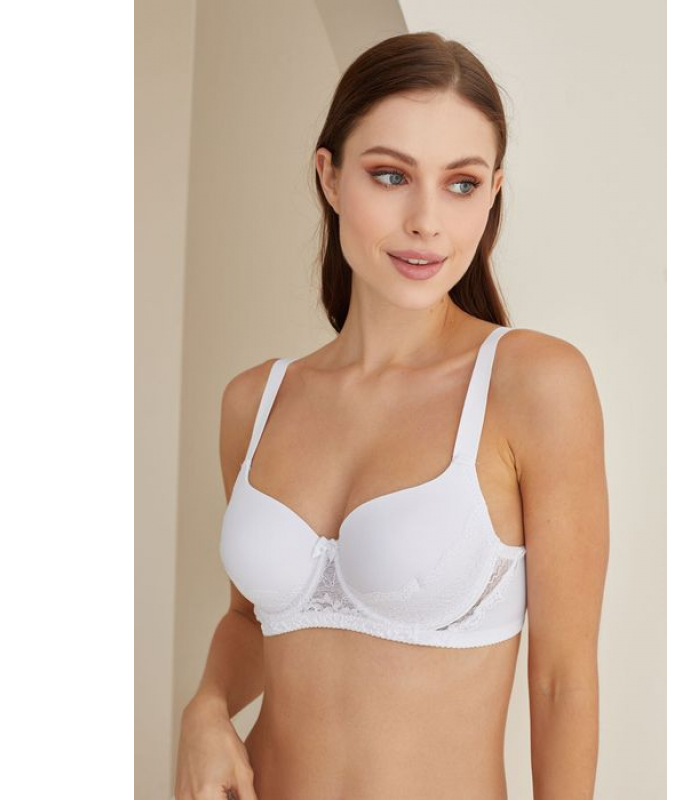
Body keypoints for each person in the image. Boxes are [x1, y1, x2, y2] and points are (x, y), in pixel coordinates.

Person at [174, 31, 609, 800]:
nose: (426, 221)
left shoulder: (533, 385)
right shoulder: (255, 400)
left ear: (493, 193)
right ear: (330, 176)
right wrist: (207, 708)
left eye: (461, 184)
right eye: (390, 175)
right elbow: (250, 621)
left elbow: (562, 682)